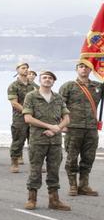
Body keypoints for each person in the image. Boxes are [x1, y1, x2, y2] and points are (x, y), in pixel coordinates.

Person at [22, 71, 71, 211]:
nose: (47, 80)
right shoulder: (31, 96)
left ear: (53, 81)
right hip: (38, 139)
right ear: (40, 80)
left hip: (55, 141)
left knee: (54, 170)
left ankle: (54, 200)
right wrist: (50, 126)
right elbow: (28, 118)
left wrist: (57, 129)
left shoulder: (58, 98)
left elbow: (67, 118)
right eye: (45, 77)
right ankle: (32, 199)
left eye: (50, 78)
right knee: (35, 170)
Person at [59, 62, 101, 197]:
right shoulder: (69, 86)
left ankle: (84, 185)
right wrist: (62, 124)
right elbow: (59, 105)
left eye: (87, 67)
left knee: (89, 158)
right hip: (73, 128)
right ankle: (73, 185)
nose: (84, 69)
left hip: (91, 128)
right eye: (81, 67)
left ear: (91, 69)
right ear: (77, 69)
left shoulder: (98, 86)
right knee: (72, 157)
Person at [7, 62, 37, 173]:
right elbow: (14, 103)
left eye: (27, 68)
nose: (26, 70)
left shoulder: (34, 86)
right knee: (18, 141)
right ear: (17, 70)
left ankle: (35, 164)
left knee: (34, 141)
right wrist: (27, 112)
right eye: (23, 68)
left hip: (34, 117)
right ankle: (15, 162)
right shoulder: (13, 86)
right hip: (20, 118)